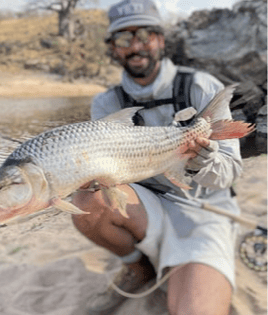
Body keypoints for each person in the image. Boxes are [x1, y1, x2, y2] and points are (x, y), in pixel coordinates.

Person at [71, 1, 242, 314]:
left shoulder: (201, 86)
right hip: (147, 205)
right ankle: (139, 268)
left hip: (205, 210)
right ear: (112, 48)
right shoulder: (105, 103)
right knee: (84, 201)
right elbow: (102, 182)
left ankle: (179, 264)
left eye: (145, 35)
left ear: (161, 40)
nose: (135, 46)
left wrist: (203, 161)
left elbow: (230, 173)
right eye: (123, 39)